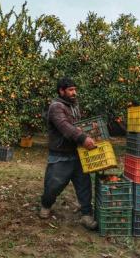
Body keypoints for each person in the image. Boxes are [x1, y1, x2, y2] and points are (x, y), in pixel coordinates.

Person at [39, 77, 98, 230]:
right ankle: (46, 204)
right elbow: (64, 126)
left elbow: (76, 126)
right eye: (71, 90)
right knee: (53, 186)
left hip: (77, 153)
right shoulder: (56, 107)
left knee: (84, 185)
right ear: (61, 91)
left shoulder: (74, 106)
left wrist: (89, 129)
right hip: (60, 155)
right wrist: (83, 138)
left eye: (75, 89)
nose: (74, 93)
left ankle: (86, 214)